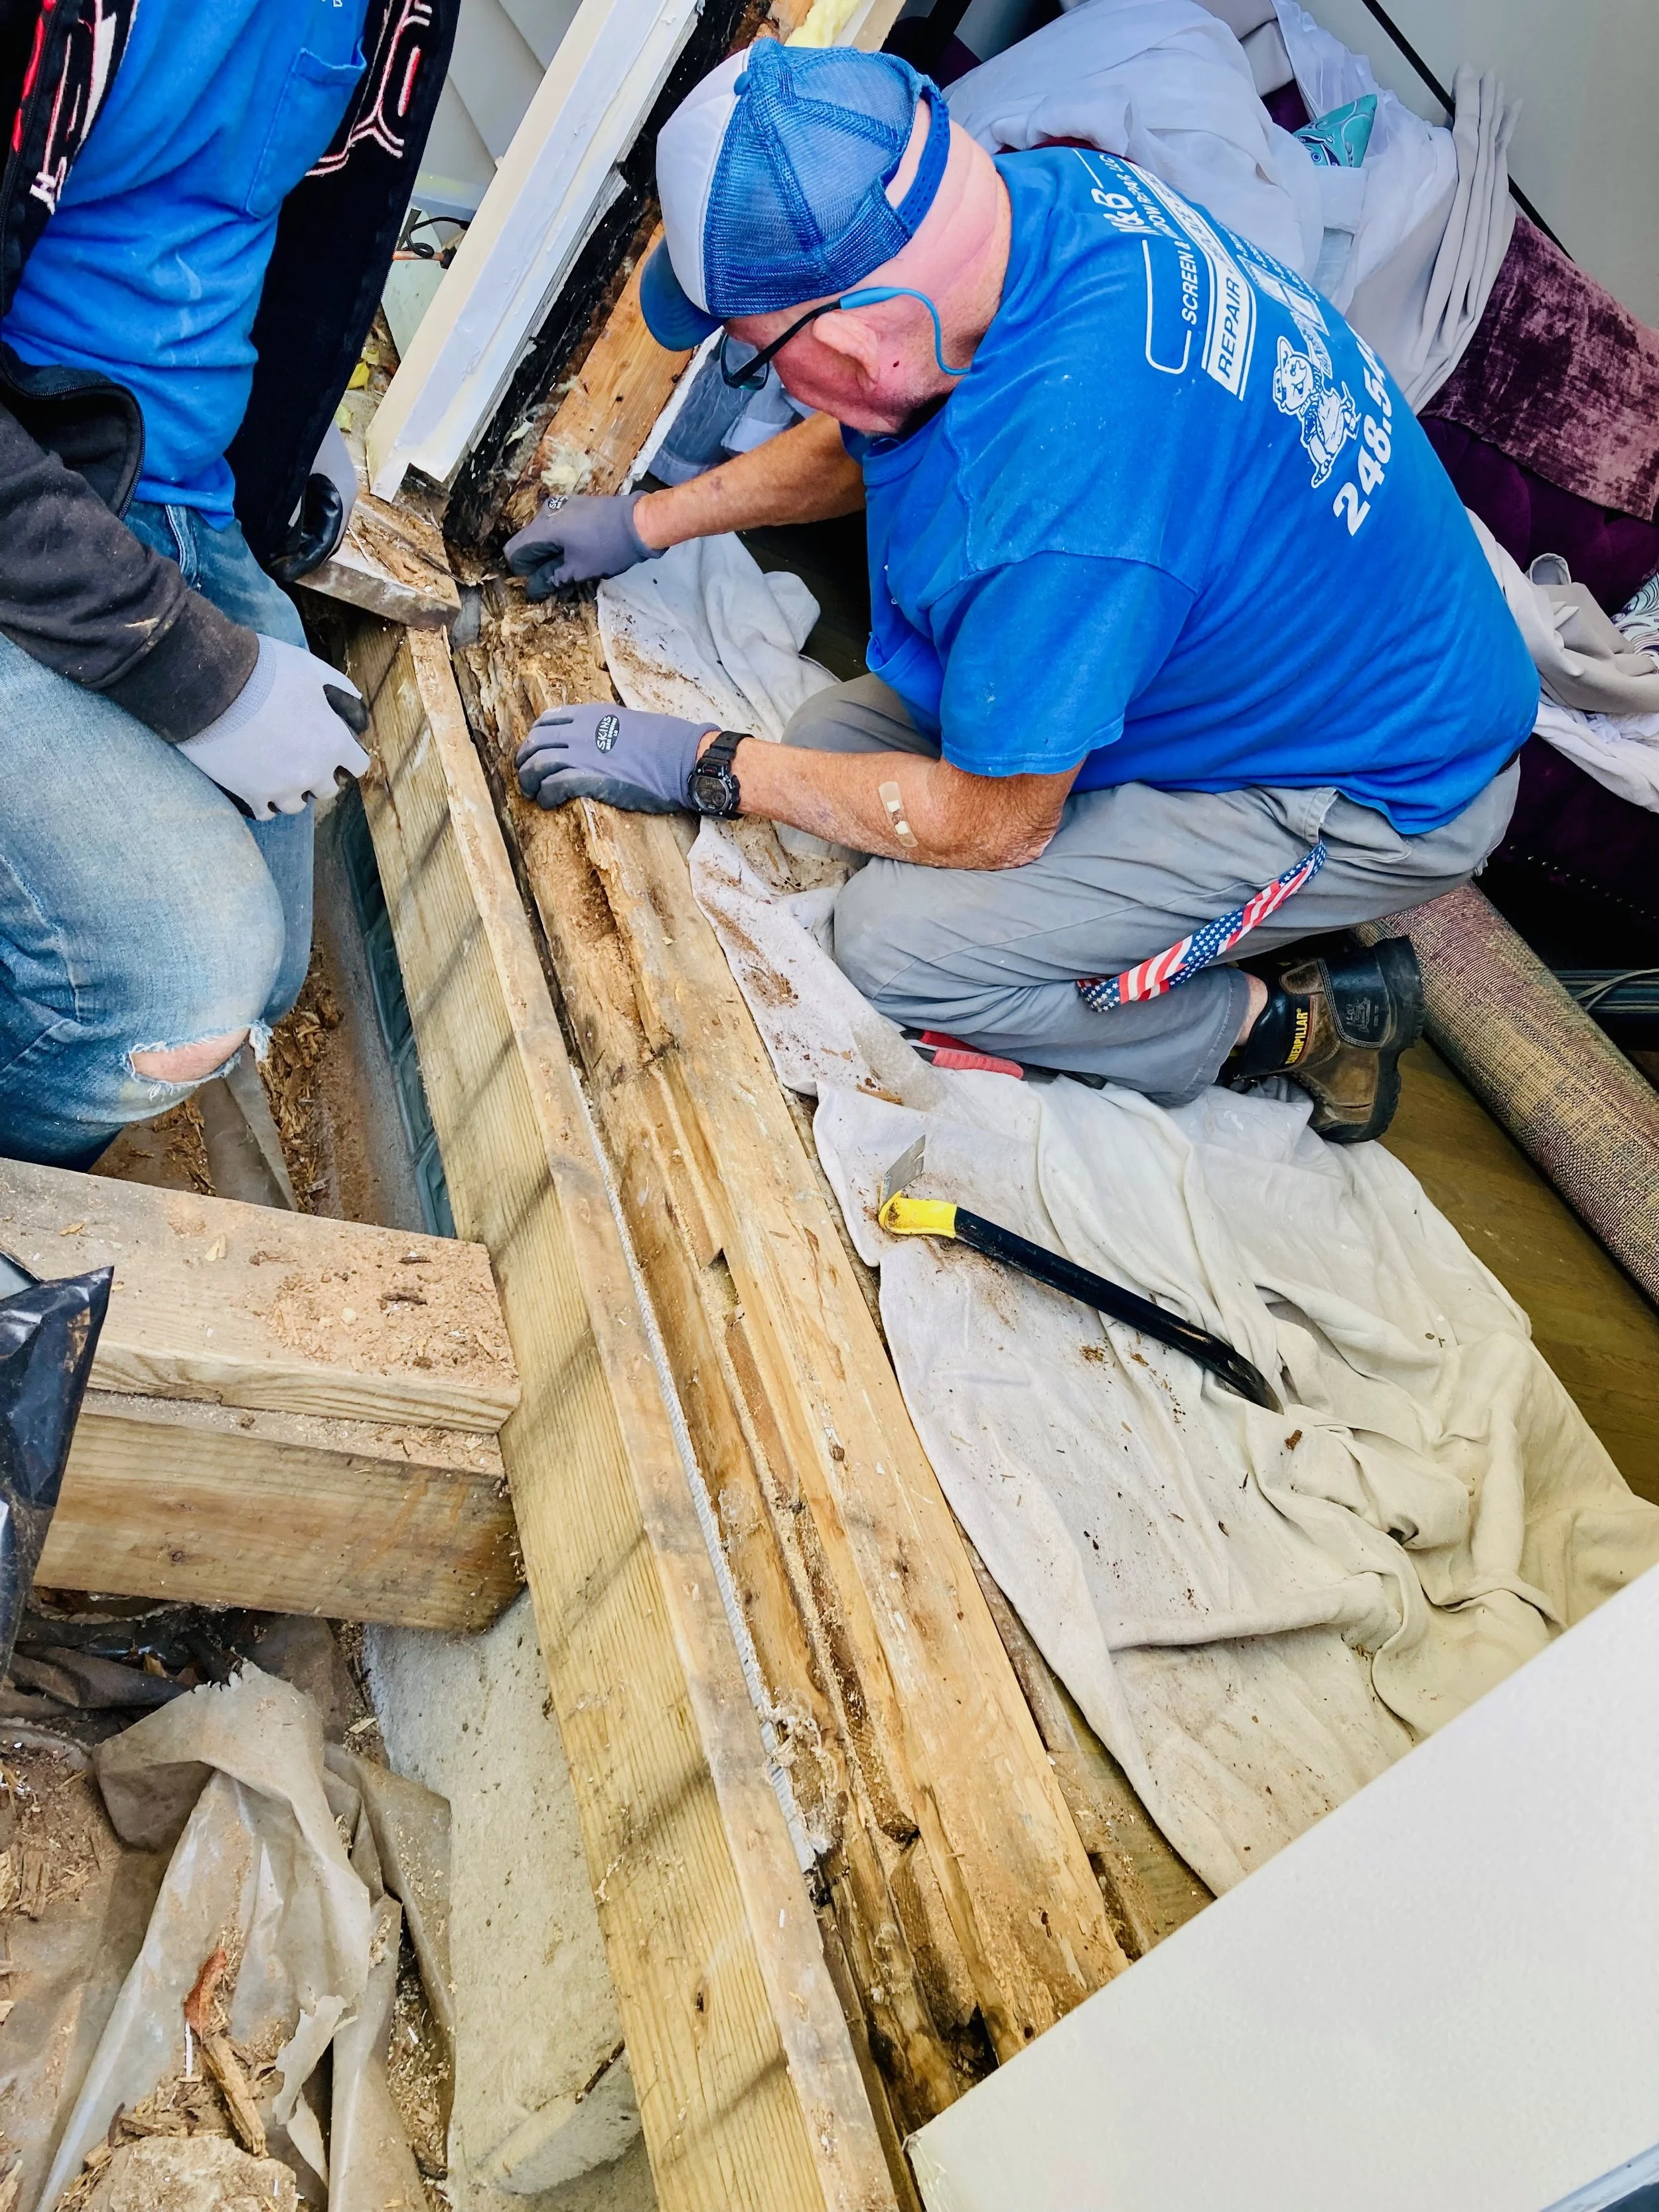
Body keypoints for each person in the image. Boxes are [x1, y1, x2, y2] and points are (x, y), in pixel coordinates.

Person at [506, 40, 1539, 1142]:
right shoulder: (1030, 209)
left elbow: (996, 824)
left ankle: (1288, 1020)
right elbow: (876, 432)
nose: (758, 375)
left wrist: (707, 768)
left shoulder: (1071, 495)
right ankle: (1168, 905)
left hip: (1365, 779)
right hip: (1237, 637)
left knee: (901, 950)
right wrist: (646, 522)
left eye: (754, 357)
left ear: (861, 343)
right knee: (832, 746)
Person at [0, 0, 453, 1167]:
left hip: (176, 487)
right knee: (170, 987)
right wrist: (182, 665)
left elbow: (285, 225)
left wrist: (292, 434)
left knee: (272, 965)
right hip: (28, 466)